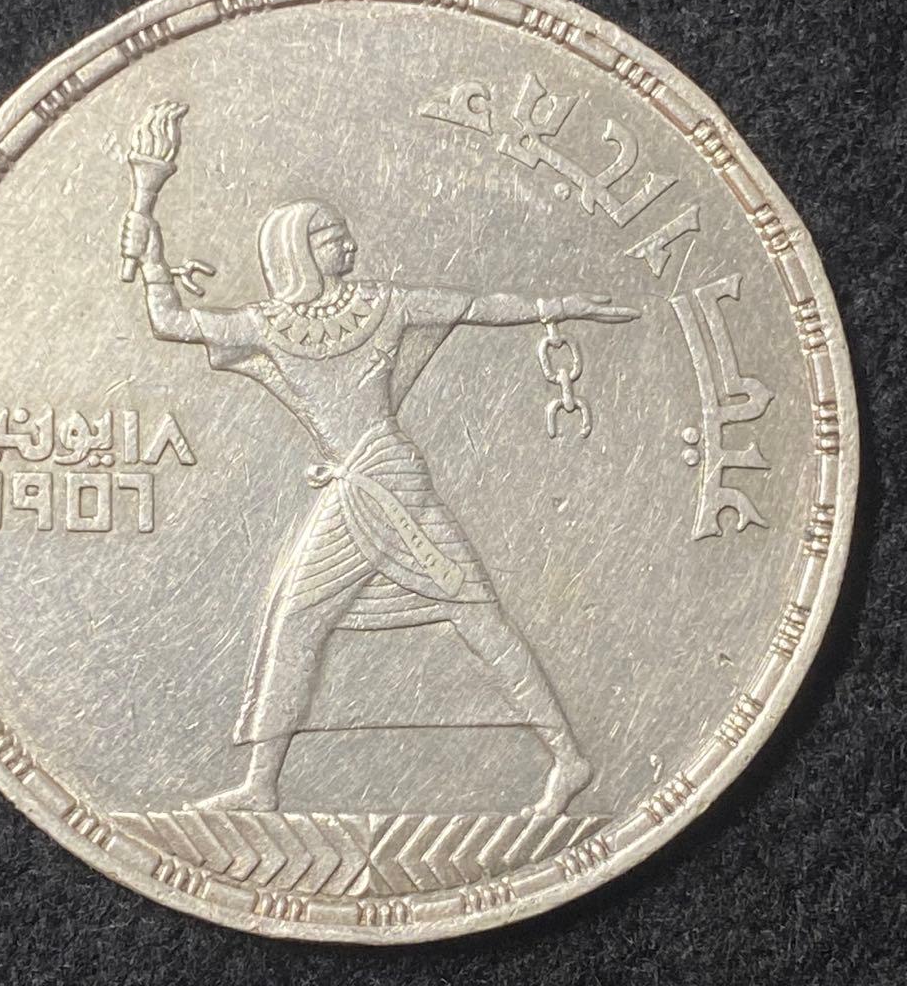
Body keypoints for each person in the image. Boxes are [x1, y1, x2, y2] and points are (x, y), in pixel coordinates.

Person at [120, 198, 638, 815]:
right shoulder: (267, 324)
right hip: (362, 480)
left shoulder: (387, 305)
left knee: (336, 621)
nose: (349, 245)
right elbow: (170, 322)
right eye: (331, 238)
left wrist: (557, 307)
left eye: (344, 235)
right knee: (455, 617)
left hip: (386, 472)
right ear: (298, 252)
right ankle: (566, 758)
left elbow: (477, 307)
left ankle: (263, 786)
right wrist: (151, 256)